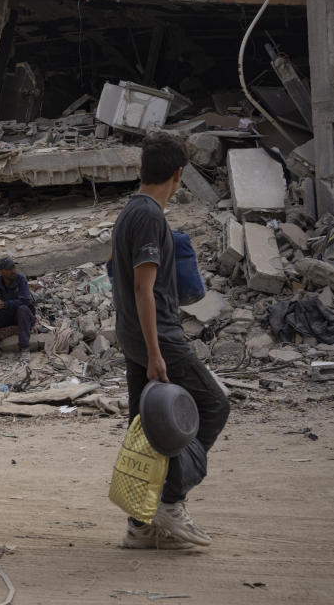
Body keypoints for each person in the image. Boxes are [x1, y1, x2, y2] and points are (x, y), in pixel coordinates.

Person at [110, 134, 230, 550]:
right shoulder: (147, 217)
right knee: (212, 406)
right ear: (179, 176)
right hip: (158, 338)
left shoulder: (130, 212)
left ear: (142, 169)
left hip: (137, 337)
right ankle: (170, 502)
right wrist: (157, 353)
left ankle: (140, 525)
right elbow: (144, 289)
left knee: (149, 429)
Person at [0, 257, 35, 364]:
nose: (13, 270)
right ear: (1, 272)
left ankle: (25, 349)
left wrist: (5, 304)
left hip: (20, 316)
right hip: (5, 317)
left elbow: (25, 301)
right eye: (9, 269)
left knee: (23, 309)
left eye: (13, 267)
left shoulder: (21, 279)